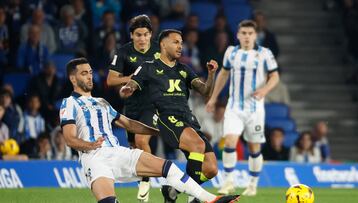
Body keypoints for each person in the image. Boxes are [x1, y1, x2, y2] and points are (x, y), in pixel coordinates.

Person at [61, 57, 240, 203]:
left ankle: (211, 200)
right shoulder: (69, 103)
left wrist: (157, 131)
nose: (90, 77)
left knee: (168, 168)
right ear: (73, 78)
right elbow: (69, 138)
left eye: (91, 73)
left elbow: (129, 124)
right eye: (84, 74)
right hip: (94, 158)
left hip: (116, 152)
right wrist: (90, 144)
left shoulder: (102, 102)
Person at [121, 29, 220, 203]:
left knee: (211, 169)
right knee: (197, 145)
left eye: (181, 43)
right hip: (167, 118)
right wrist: (127, 89)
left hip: (188, 120)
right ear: (163, 44)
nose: (180, 46)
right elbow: (131, 85)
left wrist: (211, 75)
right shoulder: (148, 67)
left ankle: (172, 190)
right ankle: (194, 198)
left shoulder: (183, 70)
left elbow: (206, 91)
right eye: (175, 42)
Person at [206, 20, 280, 196]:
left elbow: (275, 76)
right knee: (230, 142)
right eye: (244, 33)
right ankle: (228, 182)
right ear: (238, 35)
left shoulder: (264, 53)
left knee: (254, 148)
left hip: (255, 109)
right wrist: (213, 98)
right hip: (234, 107)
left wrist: (264, 90)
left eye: (250, 33)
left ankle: (252, 184)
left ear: (255, 35)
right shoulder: (231, 52)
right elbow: (223, 74)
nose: (247, 37)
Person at [106, 14, 160, 202]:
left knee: (141, 139)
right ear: (132, 35)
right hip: (132, 105)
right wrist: (132, 78)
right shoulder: (123, 52)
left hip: (153, 104)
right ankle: (143, 186)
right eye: (138, 35)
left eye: (145, 34)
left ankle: (146, 180)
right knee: (133, 147)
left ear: (151, 34)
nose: (142, 39)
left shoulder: (159, 51)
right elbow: (111, 80)